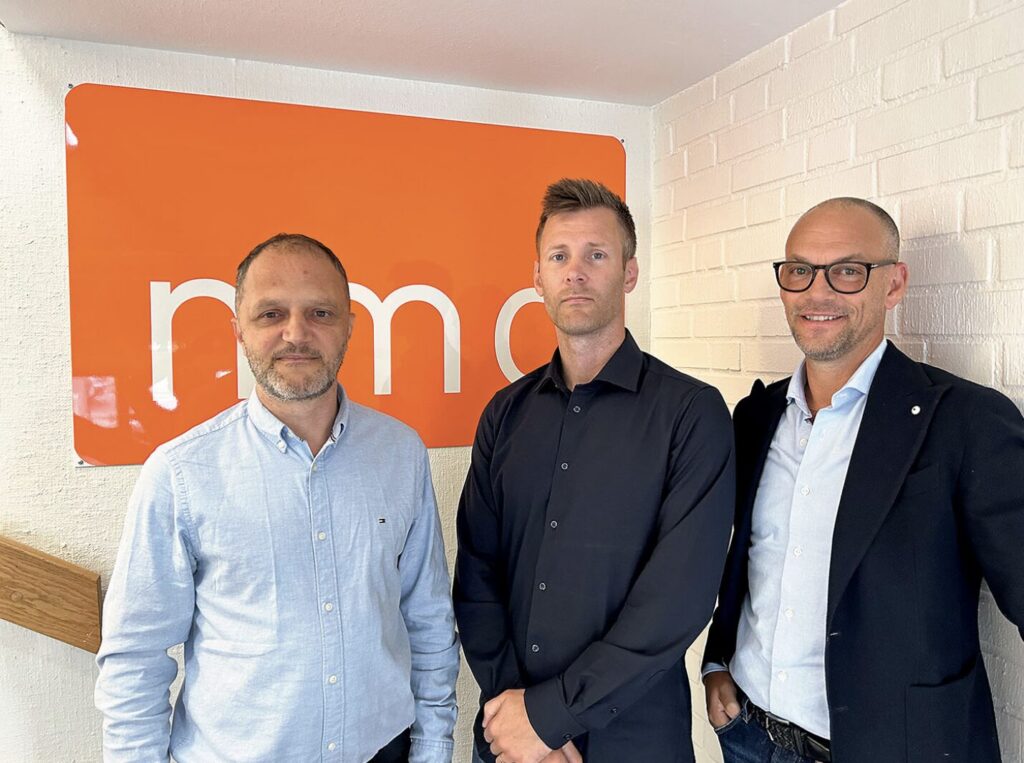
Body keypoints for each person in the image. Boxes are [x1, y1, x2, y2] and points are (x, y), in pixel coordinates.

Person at [95, 233, 459, 762]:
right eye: (271, 314)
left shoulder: (400, 454)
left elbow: (427, 620)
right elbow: (136, 658)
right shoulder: (181, 473)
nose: (296, 333)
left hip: (383, 749)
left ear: (350, 326)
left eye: (320, 313)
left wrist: (432, 748)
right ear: (238, 329)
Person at [702, 198, 1024, 763]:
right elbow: (750, 561)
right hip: (750, 736)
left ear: (894, 284)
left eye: (847, 271)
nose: (817, 293)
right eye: (799, 270)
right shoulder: (755, 417)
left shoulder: (967, 421)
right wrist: (716, 661)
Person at [454, 178, 735, 763]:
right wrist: (519, 716)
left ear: (629, 273)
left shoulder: (691, 413)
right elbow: (477, 573)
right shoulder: (505, 414)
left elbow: (678, 600)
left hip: (634, 741)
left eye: (596, 255)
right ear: (538, 277)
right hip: (510, 740)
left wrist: (549, 718)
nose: (575, 273)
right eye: (559, 257)